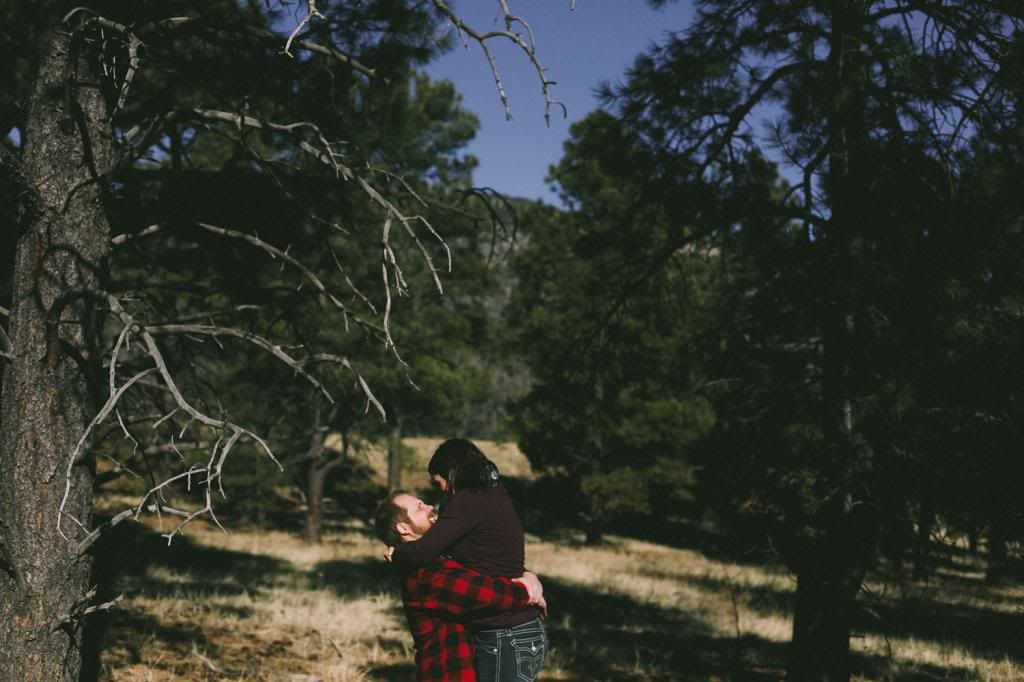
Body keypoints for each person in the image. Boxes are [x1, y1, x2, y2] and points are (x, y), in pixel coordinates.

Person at [388, 438, 548, 682]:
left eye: (438, 482)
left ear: (451, 473)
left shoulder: (466, 501)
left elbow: (424, 551)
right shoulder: (491, 496)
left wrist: (396, 553)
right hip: (511, 631)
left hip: (506, 632)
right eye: (420, 507)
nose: (436, 497)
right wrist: (527, 581)